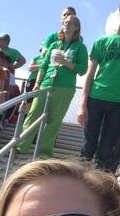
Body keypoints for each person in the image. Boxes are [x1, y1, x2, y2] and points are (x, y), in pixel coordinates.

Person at [78, 0, 120, 171]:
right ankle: (81, 183)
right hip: (96, 97)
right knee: (88, 146)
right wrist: (82, 104)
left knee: (107, 150)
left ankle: (100, 190)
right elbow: (90, 74)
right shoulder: (101, 41)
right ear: (119, 11)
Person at [17, 14, 87, 157]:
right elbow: (43, 65)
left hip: (65, 87)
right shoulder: (54, 45)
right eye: (64, 22)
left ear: (76, 27)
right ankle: (21, 147)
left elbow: (83, 69)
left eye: (70, 23)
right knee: (33, 114)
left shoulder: (80, 47)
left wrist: (66, 62)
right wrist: (37, 83)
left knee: (54, 120)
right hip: (46, 83)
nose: (65, 24)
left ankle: (44, 152)